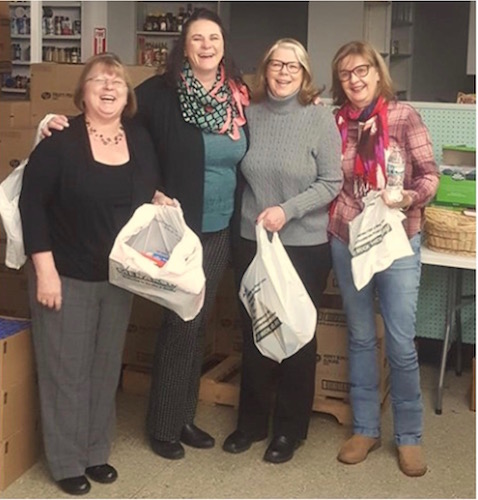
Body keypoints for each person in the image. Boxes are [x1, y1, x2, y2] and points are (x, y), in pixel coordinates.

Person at [38, 9, 249, 461]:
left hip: (219, 228)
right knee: (180, 323)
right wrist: (54, 124)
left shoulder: (237, 96)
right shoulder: (159, 92)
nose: (207, 45)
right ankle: (163, 425)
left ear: (224, 45)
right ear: (184, 46)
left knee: (196, 324)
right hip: (173, 227)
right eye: (197, 39)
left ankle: (183, 416)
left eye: (214, 37)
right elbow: (113, 121)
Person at [19, 53, 160, 496]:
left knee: (103, 368)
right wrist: (45, 271)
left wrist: (159, 201)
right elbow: (32, 207)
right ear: (82, 92)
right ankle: (65, 461)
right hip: (66, 273)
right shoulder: (59, 142)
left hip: (117, 277)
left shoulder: (137, 138)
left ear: (127, 94)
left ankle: (96, 451)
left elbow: (141, 191)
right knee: (66, 370)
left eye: (116, 81)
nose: (108, 86)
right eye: (98, 80)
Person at [222, 38, 343, 464]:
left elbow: (331, 182)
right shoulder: (248, 115)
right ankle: (251, 424)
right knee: (255, 329)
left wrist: (286, 211)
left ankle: (289, 431)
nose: (284, 71)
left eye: (294, 66)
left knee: (295, 336)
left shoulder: (318, 119)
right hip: (250, 240)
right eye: (277, 64)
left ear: (305, 74)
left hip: (303, 245)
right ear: (265, 68)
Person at [327, 41, 439, 477]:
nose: (354, 80)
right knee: (358, 336)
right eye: (345, 74)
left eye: (361, 71)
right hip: (347, 236)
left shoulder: (402, 116)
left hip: (396, 240)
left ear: (377, 73)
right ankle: (366, 428)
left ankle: (409, 436)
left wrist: (408, 195)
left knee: (399, 341)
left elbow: (431, 174)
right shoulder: (335, 122)